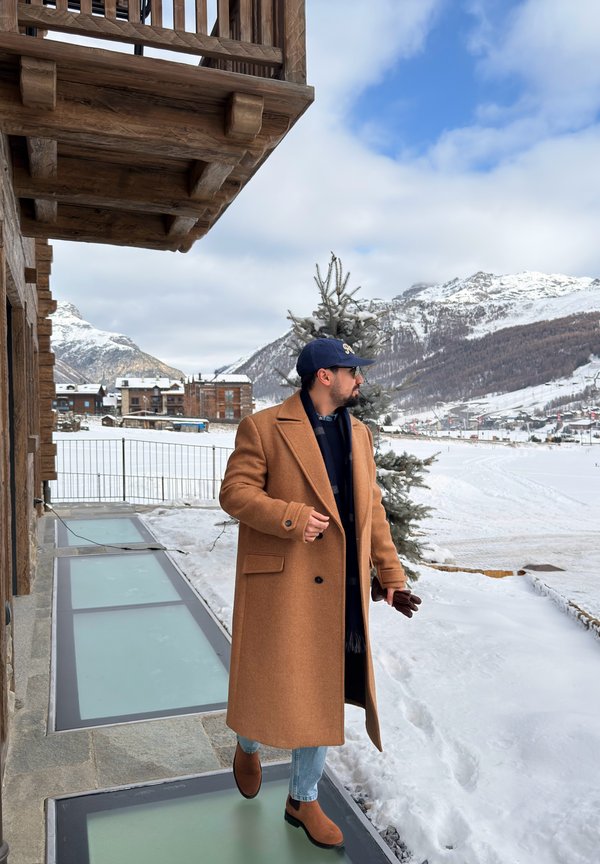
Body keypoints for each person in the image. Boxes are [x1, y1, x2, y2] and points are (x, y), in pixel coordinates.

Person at [219, 337, 421, 850]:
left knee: (323, 688)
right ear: (324, 376)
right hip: (282, 583)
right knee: (267, 683)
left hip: (341, 588)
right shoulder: (263, 427)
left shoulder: (360, 434)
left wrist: (391, 577)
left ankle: (302, 798)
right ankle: (247, 743)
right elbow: (235, 494)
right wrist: (289, 516)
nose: (361, 379)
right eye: (353, 370)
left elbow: (371, 511)